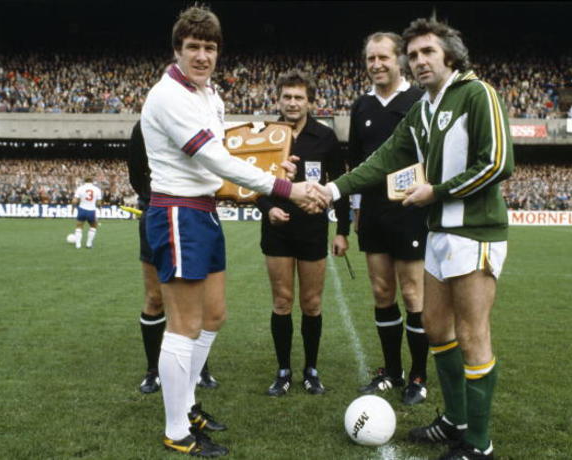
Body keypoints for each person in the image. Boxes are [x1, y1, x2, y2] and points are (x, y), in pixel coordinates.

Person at [316, 17, 514, 460]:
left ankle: (479, 445)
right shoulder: (422, 109)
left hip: (474, 233)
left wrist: (436, 191)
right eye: (414, 54)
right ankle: (455, 421)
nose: (420, 60)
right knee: (438, 329)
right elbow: (383, 158)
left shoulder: (476, 93)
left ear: (450, 54)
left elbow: (498, 162)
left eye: (428, 52)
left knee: (471, 334)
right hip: (438, 233)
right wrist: (332, 190)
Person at [140, 5, 322, 457]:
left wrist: (268, 167)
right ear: (177, 50)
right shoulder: (168, 96)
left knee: (214, 315)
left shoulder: (208, 95)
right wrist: (286, 187)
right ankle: (176, 429)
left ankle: (187, 405)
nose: (202, 56)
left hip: (204, 210)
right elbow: (215, 161)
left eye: (209, 48)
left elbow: (225, 166)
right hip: (178, 212)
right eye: (193, 47)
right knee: (182, 326)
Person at [256, 70, 350, 397]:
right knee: (282, 302)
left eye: (299, 97)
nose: (293, 103)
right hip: (277, 230)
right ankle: (283, 370)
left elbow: (341, 185)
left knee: (311, 303)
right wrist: (268, 208)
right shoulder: (267, 135)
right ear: (278, 100)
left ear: (310, 101)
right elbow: (252, 182)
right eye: (287, 97)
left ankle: (311, 369)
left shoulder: (325, 137)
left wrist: (342, 231)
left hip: (312, 230)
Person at [348, 32, 429, 405]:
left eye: (383, 57)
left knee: (413, 293)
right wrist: (354, 213)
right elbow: (355, 164)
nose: (376, 65)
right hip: (374, 214)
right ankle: (392, 371)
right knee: (382, 293)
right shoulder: (361, 106)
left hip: (411, 211)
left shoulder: (419, 100)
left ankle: (418, 375)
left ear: (399, 60)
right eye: (370, 58)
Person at [128, 121, 220, 395]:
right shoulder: (144, 125)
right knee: (155, 297)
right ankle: (153, 370)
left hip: (196, 213)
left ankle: (199, 367)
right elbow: (136, 173)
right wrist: (153, 197)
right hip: (157, 213)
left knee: (197, 297)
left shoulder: (202, 119)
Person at [72, 177, 102, 249]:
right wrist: (99, 208)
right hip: (91, 210)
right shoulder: (97, 189)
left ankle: (78, 245)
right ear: (92, 181)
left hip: (82, 209)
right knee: (93, 226)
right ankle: (88, 244)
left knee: (79, 226)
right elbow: (99, 202)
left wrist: (72, 208)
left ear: (84, 181)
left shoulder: (80, 188)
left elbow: (74, 201)